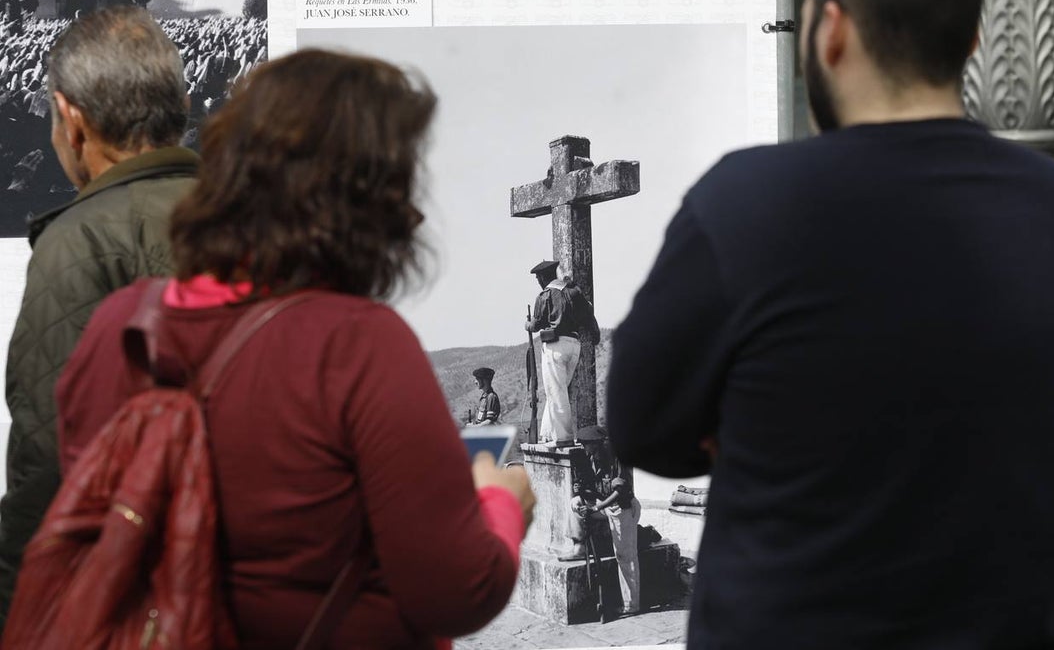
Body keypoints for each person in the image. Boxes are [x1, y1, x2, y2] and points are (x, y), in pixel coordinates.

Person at [607, 0, 1054, 650]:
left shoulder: (748, 203)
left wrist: (747, 425)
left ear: (832, 30)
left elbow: (642, 426)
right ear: (972, 41)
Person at [53, 49, 535, 649]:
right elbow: (456, 590)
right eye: (397, 184)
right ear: (359, 202)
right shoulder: (358, 344)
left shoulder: (119, 326)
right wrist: (501, 502)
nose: (412, 215)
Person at [0, 6, 199, 628]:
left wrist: (15, 610)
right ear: (180, 108)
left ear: (71, 119)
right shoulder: (262, 216)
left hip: (143, 600)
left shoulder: (83, 240)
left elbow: (50, 454)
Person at [562, 426, 641, 619]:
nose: (583, 448)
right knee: (575, 503)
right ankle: (579, 547)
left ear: (596, 444)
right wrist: (581, 492)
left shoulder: (617, 459)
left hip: (623, 508)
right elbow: (593, 488)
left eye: (585, 444)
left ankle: (632, 605)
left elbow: (619, 492)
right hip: (604, 506)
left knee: (625, 556)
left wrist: (596, 508)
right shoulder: (590, 459)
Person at [524, 260, 600, 447]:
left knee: (556, 393)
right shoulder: (574, 292)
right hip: (574, 345)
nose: (538, 282)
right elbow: (589, 314)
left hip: (555, 346)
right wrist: (595, 334)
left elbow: (536, 324)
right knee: (557, 392)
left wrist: (527, 324)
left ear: (543, 278)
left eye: (538, 279)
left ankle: (563, 438)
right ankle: (547, 434)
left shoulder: (545, 295)